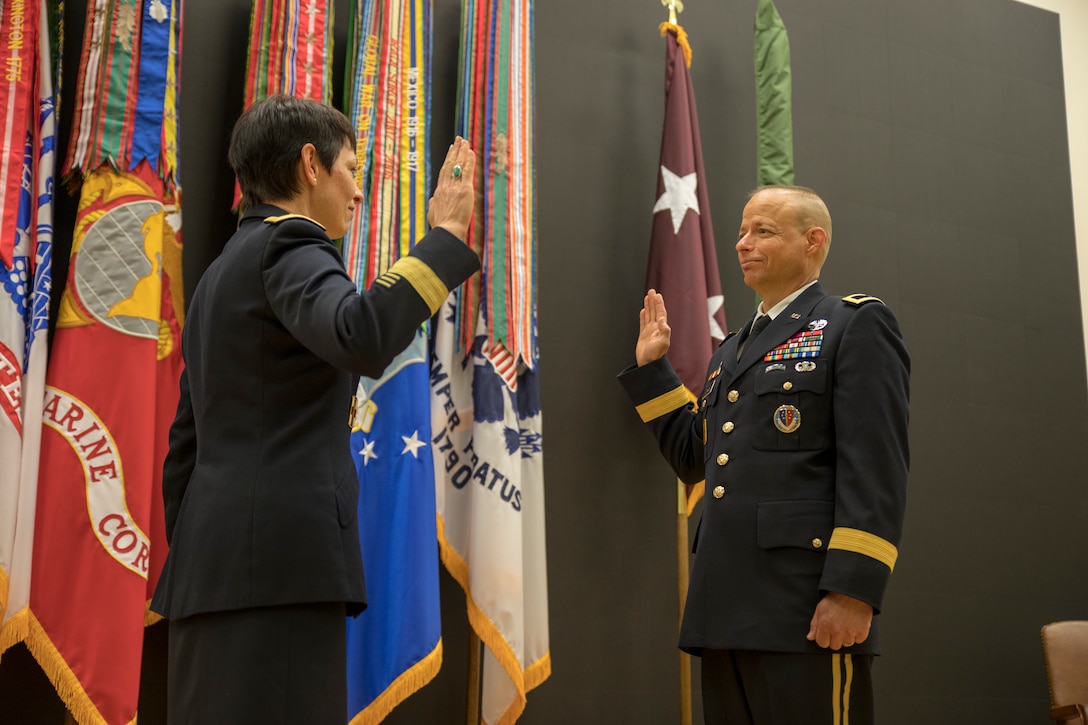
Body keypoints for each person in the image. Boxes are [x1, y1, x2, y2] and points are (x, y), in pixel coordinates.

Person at [149, 94, 481, 723]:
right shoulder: (292, 245)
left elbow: (184, 449)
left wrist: (217, 548)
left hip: (210, 578)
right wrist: (442, 240)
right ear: (310, 164)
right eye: (350, 170)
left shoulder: (220, 274)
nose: (357, 192)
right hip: (281, 578)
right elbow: (359, 334)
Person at [618, 185, 910, 724]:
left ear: (812, 241)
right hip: (726, 609)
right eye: (742, 231)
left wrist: (853, 591)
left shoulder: (852, 324)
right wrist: (653, 369)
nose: (742, 243)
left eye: (763, 231)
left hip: (804, 606)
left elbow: (877, 468)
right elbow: (696, 461)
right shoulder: (732, 348)